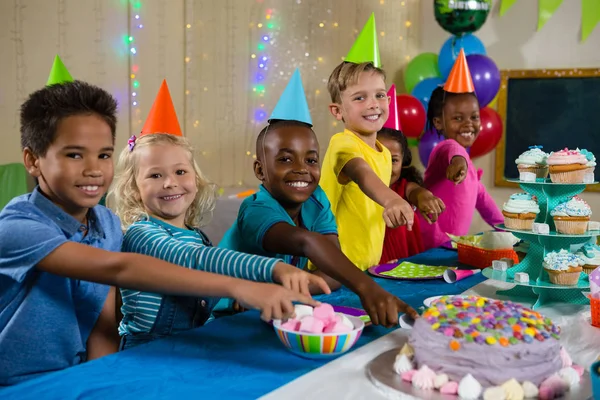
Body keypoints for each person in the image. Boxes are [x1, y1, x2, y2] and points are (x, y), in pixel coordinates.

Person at [0, 79, 326, 385]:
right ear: (32, 160)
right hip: (22, 384)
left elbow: (104, 325)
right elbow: (123, 268)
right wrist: (254, 280)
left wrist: (101, 381)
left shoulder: (106, 225)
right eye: (74, 154)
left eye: (103, 155)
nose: (93, 169)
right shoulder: (18, 226)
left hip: (80, 375)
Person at [110, 81, 329, 348]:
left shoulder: (195, 235)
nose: (170, 182)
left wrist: (241, 299)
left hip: (190, 346)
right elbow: (197, 260)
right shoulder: (142, 235)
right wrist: (274, 268)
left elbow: (204, 293)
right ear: (134, 190)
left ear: (195, 179)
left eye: (180, 172)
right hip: (147, 352)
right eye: (155, 175)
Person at [220, 70, 418, 327]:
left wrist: (294, 287)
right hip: (228, 314)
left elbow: (331, 267)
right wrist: (368, 288)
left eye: (311, 160)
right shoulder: (257, 209)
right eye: (285, 159)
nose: (302, 168)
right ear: (260, 170)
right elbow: (306, 242)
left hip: (275, 308)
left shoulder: (316, 200)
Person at [319, 18, 414, 271]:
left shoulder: (383, 154)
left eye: (380, 95)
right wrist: (391, 200)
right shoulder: (342, 143)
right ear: (337, 111)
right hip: (332, 266)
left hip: (365, 266)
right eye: (360, 97)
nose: (373, 104)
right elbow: (362, 175)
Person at [420, 50, 503, 250]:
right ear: (439, 123)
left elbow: (486, 205)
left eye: (474, 117)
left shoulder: (471, 171)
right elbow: (454, 152)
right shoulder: (445, 149)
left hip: (449, 249)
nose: (468, 124)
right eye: (458, 118)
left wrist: (510, 232)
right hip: (429, 247)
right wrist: (459, 162)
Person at [377, 126, 445, 262]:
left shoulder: (404, 186)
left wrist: (424, 196)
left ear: (403, 162)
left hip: (402, 262)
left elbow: (415, 191)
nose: (386, 167)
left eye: (393, 160)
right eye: (378, 158)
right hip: (370, 261)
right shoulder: (358, 188)